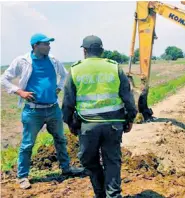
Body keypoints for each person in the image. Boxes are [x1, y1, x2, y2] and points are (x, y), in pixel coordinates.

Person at [1, 33, 84, 189]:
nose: (49, 46)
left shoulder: (53, 60)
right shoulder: (22, 61)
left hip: (52, 109)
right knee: (27, 144)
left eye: (49, 43)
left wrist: (59, 87)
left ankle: (66, 169)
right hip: (33, 112)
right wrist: (20, 92)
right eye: (45, 44)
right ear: (35, 46)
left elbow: (64, 75)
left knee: (60, 139)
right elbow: (4, 79)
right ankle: (23, 176)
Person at [62, 35, 137, 198]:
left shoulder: (75, 69)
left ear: (84, 51)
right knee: (112, 161)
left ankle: (100, 193)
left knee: (88, 160)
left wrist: (69, 121)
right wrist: (130, 118)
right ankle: (112, 194)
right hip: (114, 124)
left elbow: (68, 100)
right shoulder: (114, 67)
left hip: (88, 125)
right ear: (102, 51)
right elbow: (127, 95)